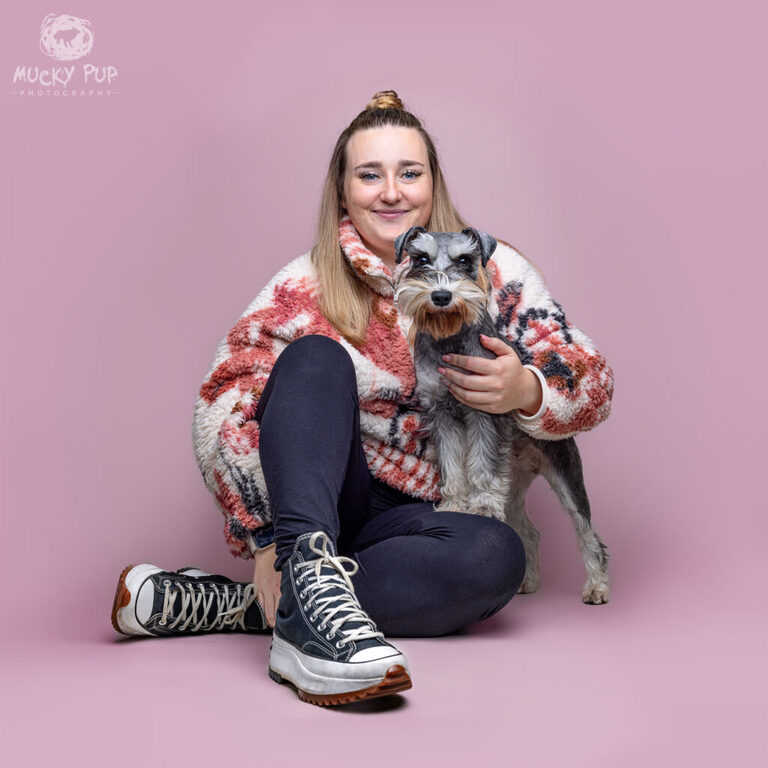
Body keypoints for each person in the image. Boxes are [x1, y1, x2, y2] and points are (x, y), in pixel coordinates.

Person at [111, 90, 614, 706]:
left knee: (495, 555)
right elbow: (220, 402)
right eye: (369, 174)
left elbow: (590, 378)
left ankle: (277, 607)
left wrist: (530, 388)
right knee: (314, 358)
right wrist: (266, 536)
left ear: (433, 182)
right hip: (323, 504)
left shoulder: (496, 268)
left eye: (410, 172)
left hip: (422, 522)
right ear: (343, 191)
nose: (392, 192)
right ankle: (305, 574)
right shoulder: (302, 284)